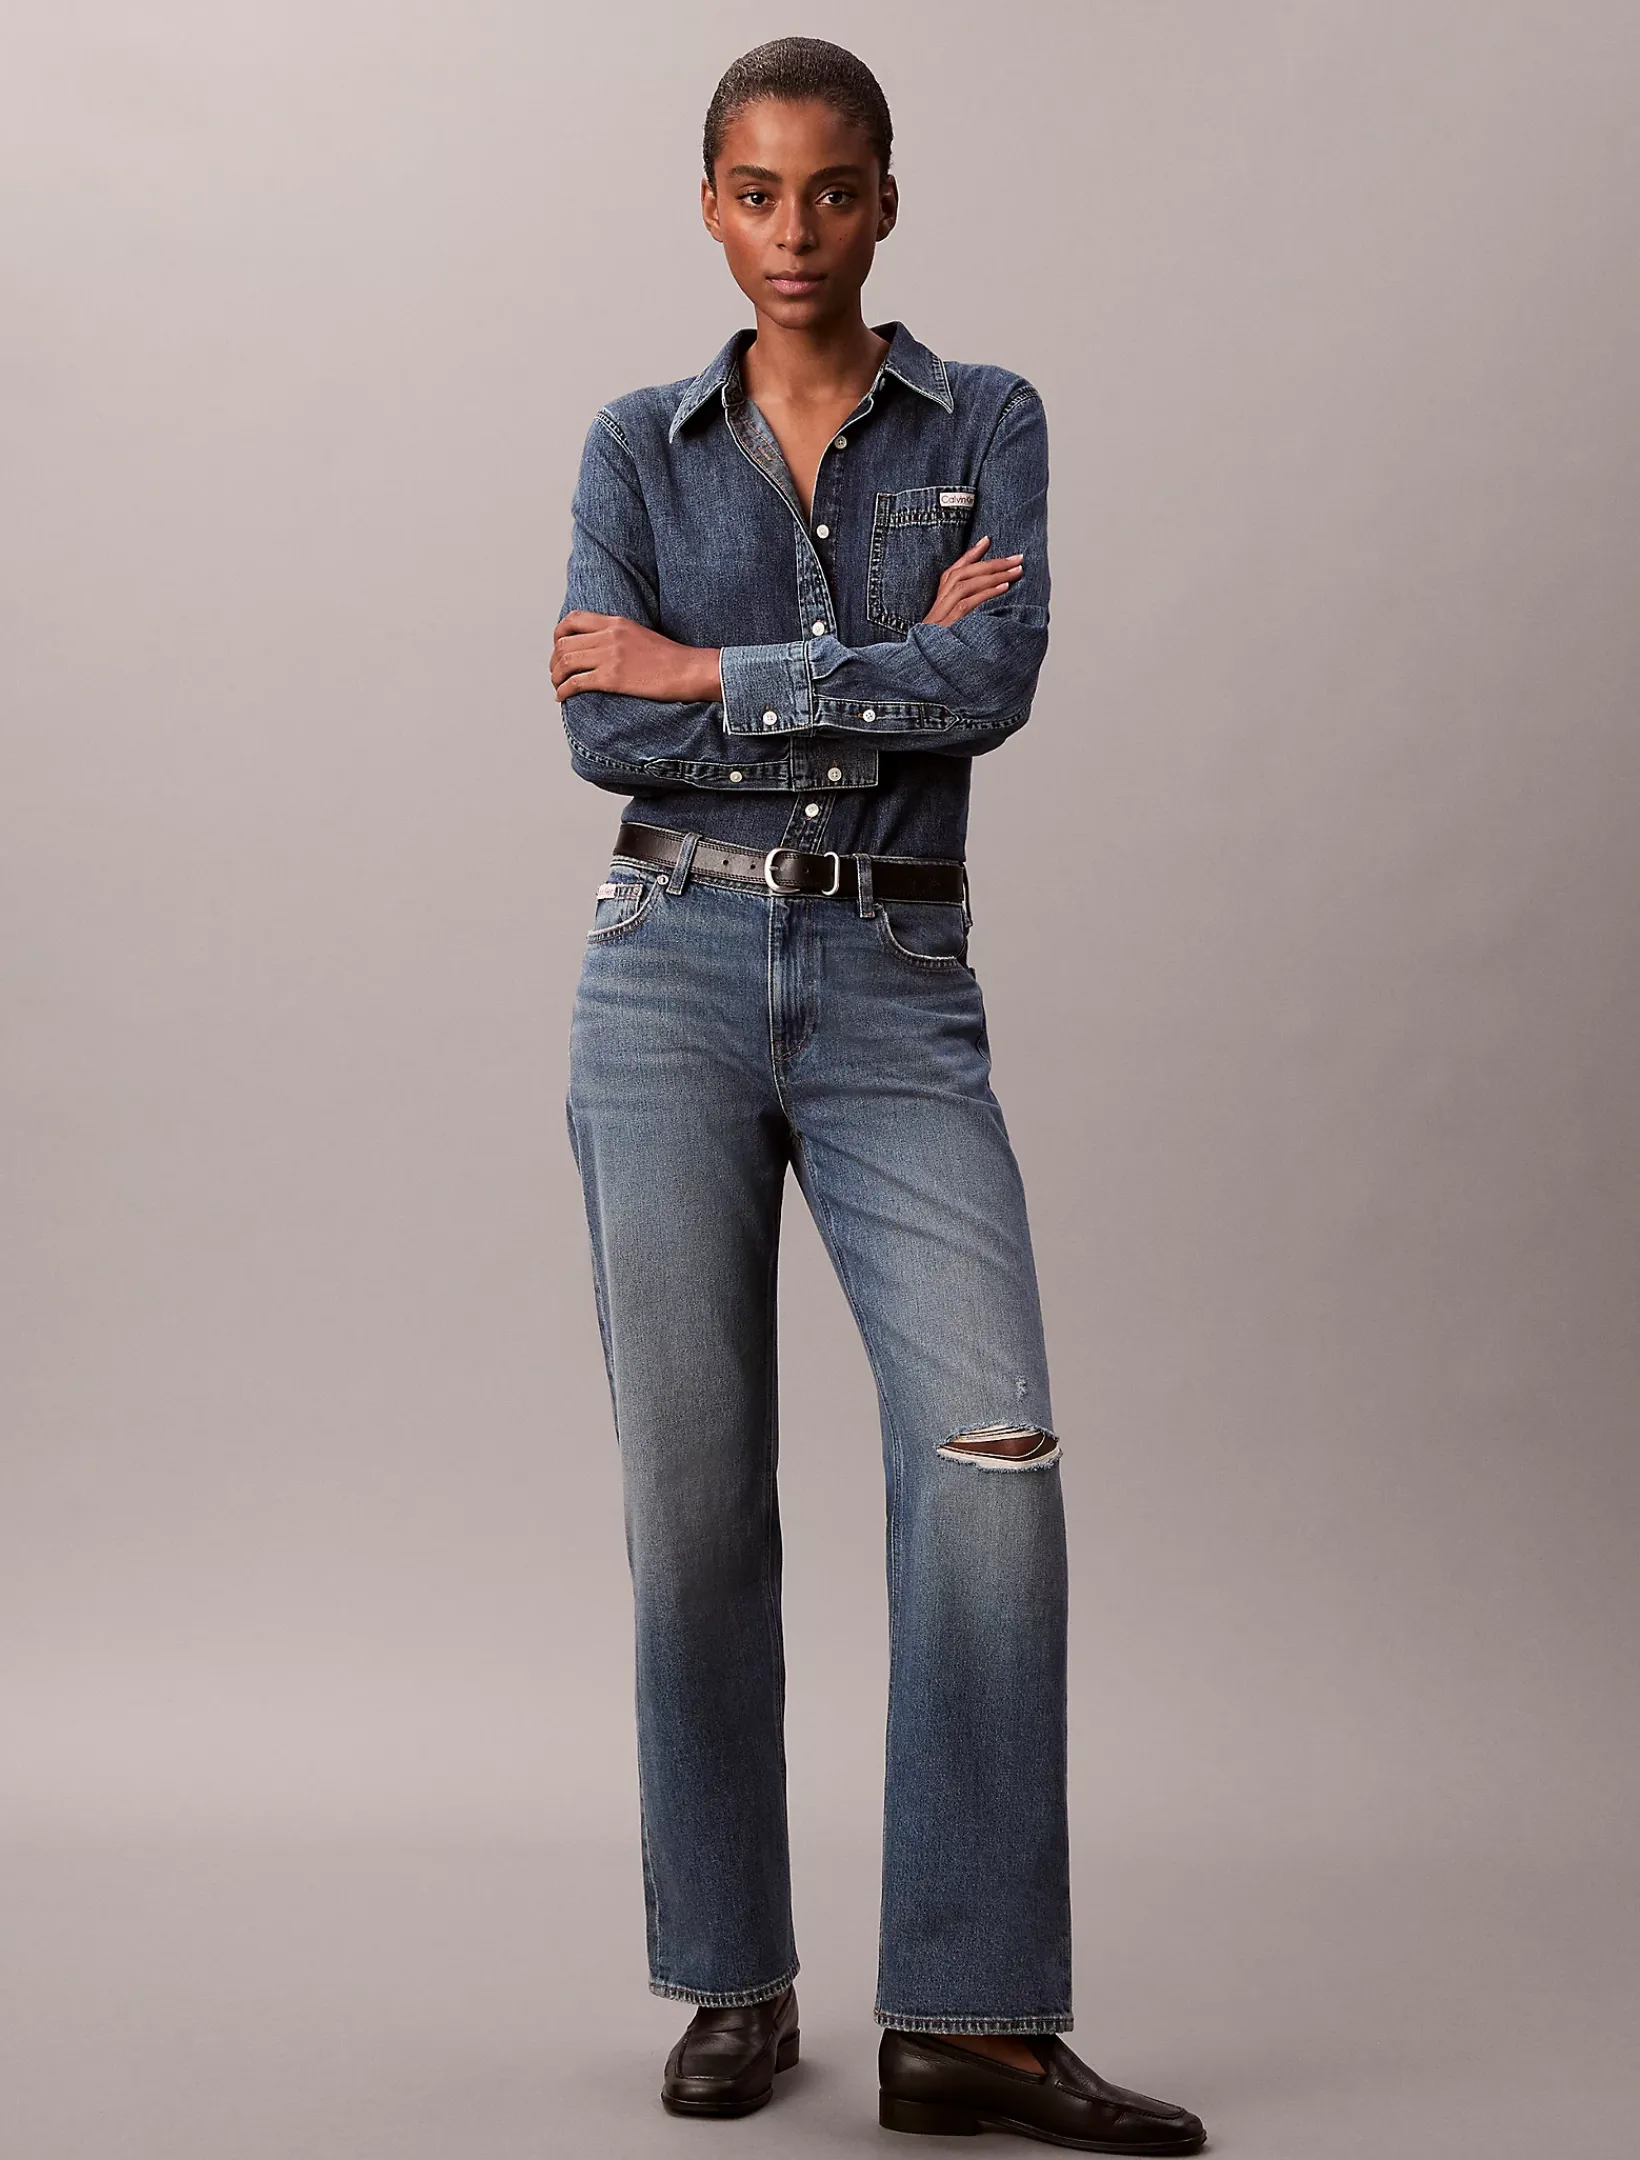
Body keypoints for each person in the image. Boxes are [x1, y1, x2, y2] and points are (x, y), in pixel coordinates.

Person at [552, 35, 1207, 2153]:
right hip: (663, 972)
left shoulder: (984, 420)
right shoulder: (637, 445)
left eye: (832, 190)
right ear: (709, 206)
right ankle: (732, 1979)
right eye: (756, 191)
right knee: (692, 1499)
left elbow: (989, 684)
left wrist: (706, 673)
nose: (795, 231)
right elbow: (600, 734)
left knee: (986, 1462)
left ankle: (972, 2023)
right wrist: (860, 677)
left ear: (887, 202)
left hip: (895, 979)